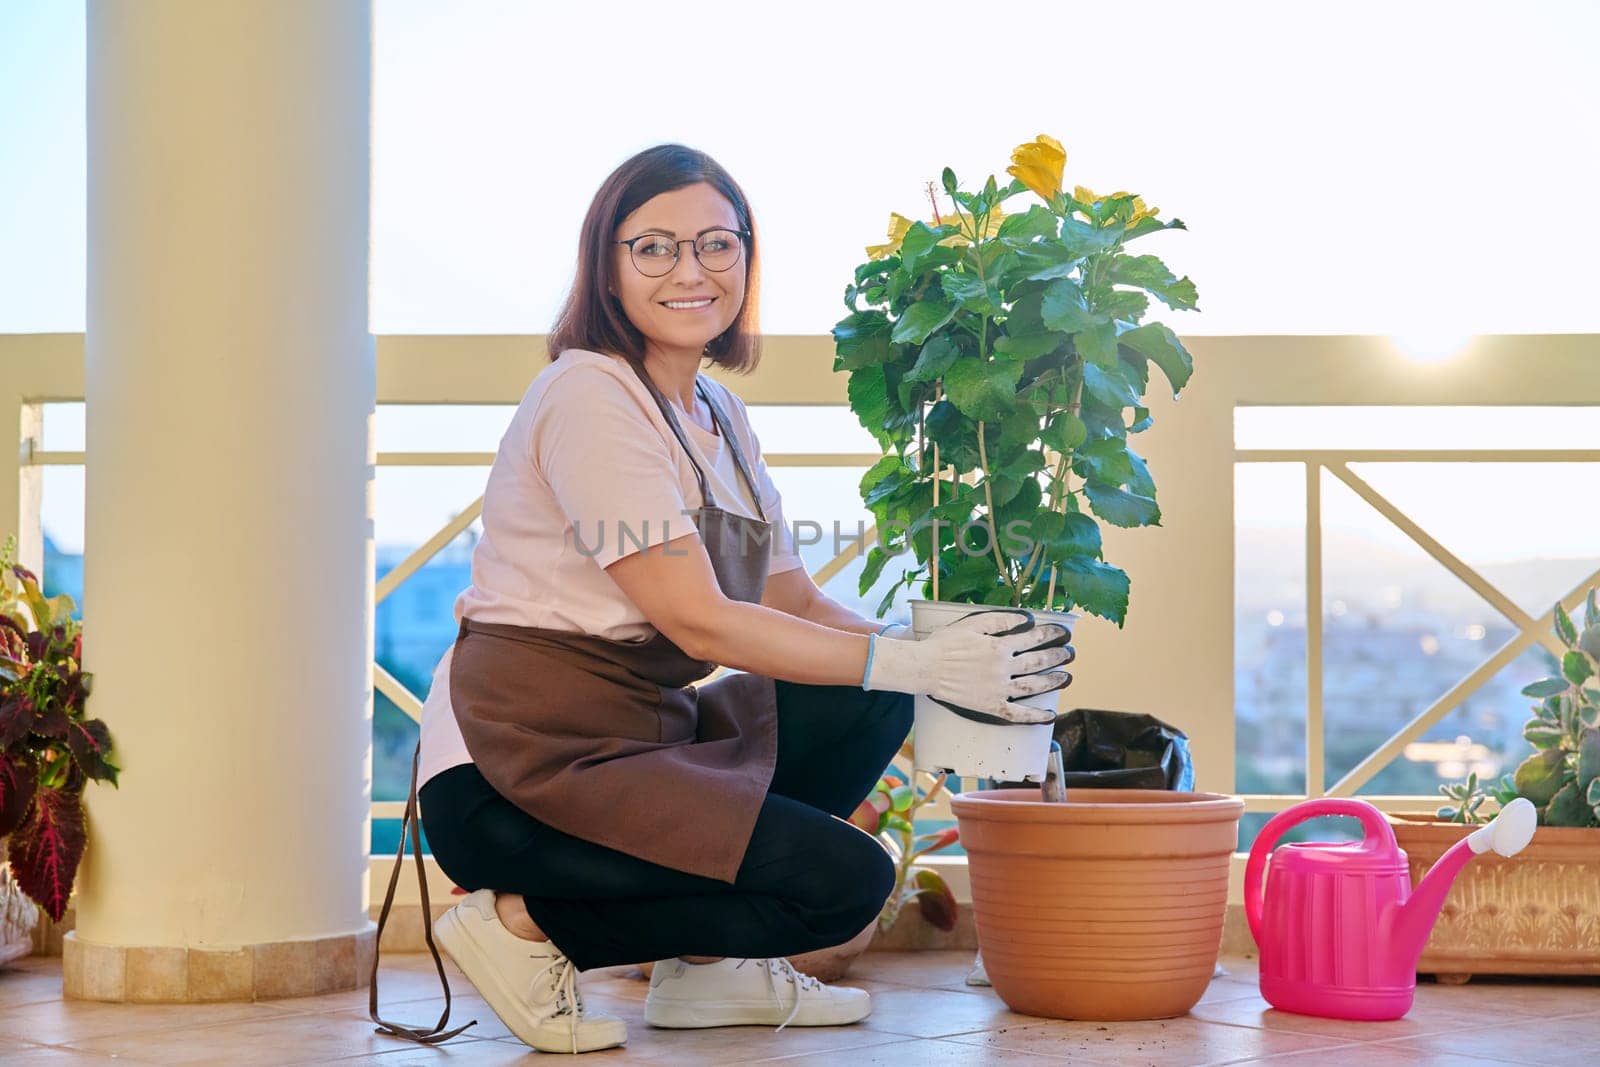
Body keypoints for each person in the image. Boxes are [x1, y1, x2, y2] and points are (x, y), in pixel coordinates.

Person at [374, 144, 1073, 1055]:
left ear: (747, 256)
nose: (691, 270)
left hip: (642, 735)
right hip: (519, 768)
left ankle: (706, 976)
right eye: (654, 248)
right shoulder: (589, 395)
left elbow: (795, 600)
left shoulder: (717, 415)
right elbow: (698, 619)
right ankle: (524, 924)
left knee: (871, 692)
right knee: (841, 884)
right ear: (606, 265)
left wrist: (936, 677)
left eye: (716, 243)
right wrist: (912, 656)